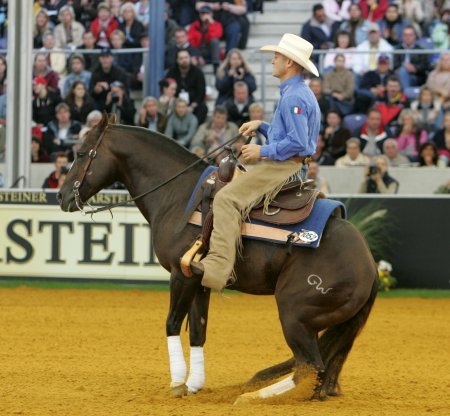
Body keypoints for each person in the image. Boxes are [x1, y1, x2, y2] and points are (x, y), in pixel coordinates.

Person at [189, 34, 321, 291]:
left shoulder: (293, 97)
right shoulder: (296, 92)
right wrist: (262, 126)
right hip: (287, 164)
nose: (273, 60)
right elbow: (289, 136)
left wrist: (262, 151)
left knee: (226, 199)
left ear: (290, 63)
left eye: (278, 57)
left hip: (285, 168)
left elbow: (298, 142)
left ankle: (217, 269)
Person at [165, 49, 208, 124]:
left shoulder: (198, 72)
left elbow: (201, 92)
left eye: (186, 57)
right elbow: (166, 88)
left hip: (193, 103)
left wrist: (192, 106)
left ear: (190, 58)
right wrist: (178, 105)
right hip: (176, 103)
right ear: (177, 60)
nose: (184, 60)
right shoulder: (171, 72)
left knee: (203, 108)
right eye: (181, 58)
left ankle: (195, 129)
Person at [89, 47, 128, 111]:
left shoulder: (120, 72)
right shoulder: (95, 73)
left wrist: (111, 89)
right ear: (100, 59)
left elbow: (125, 90)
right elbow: (91, 93)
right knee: (94, 104)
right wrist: (96, 91)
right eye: (103, 57)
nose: (105, 60)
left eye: (107, 57)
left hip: (118, 98)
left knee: (127, 105)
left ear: (112, 58)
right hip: (102, 101)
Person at [187, 5, 223, 72]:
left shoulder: (217, 24)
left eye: (207, 13)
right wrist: (198, 55)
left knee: (214, 41)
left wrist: (211, 24)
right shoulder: (194, 26)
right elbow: (191, 42)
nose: (205, 15)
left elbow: (215, 36)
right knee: (193, 60)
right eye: (203, 13)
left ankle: (216, 67)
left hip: (211, 52)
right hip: (199, 51)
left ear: (211, 14)